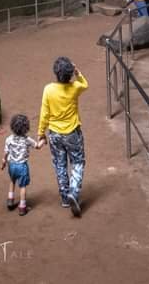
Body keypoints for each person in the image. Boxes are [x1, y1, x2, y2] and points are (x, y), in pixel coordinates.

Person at [37, 56, 88, 217]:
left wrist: (41, 133)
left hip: (54, 134)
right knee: (78, 162)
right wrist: (78, 73)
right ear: (70, 74)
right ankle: (74, 191)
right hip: (72, 132)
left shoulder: (48, 89)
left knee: (60, 164)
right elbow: (85, 84)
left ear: (55, 72)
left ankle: (65, 198)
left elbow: (44, 113)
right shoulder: (75, 87)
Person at [1, 113, 40, 216]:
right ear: (26, 128)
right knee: (22, 186)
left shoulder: (8, 139)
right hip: (22, 166)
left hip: (12, 165)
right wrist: (43, 141)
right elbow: (37, 146)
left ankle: (10, 200)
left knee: (12, 181)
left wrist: (4, 161)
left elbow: (6, 152)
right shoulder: (27, 140)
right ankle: (22, 207)